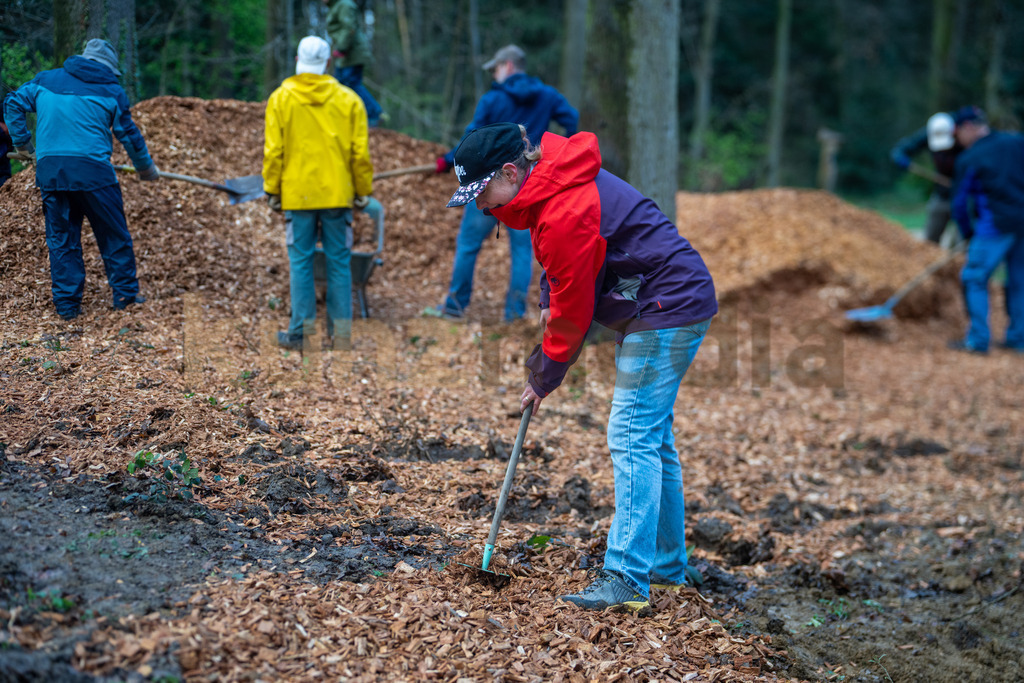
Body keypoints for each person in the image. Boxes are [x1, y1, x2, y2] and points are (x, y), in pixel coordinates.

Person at [445, 123, 718, 612]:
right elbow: (565, 267)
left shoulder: (562, 206)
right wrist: (551, 297)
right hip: (666, 302)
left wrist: (543, 376)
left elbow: (574, 311)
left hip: (666, 307)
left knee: (632, 434)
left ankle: (627, 580)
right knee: (652, 438)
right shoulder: (549, 185)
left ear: (510, 172)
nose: (482, 208)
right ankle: (667, 568)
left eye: (483, 193)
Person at [4, 38, 157, 321]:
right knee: (113, 235)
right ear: (107, 67)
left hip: (51, 173)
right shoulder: (112, 90)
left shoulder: (45, 80)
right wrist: (146, 168)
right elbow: (129, 135)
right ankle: (125, 297)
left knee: (62, 240)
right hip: (94, 175)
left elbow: (13, 103)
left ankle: (67, 307)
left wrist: (24, 146)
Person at [428, 44, 579, 322]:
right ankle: (514, 314)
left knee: (469, 243)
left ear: (507, 66)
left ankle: (454, 307)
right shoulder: (547, 96)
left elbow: (470, 140)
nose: (494, 75)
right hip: (528, 183)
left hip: (487, 184)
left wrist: (448, 161)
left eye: (495, 69)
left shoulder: (492, 100)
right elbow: (573, 120)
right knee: (522, 251)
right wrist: (558, 157)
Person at [263, 35, 374, 350]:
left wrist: (272, 189)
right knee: (339, 262)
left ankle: (301, 334)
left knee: (301, 261)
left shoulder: (281, 99)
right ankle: (341, 336)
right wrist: (362, 189)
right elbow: (359, 153)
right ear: (328, 63)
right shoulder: (349, 100)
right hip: (338, 195)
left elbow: (274, 152)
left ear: (297, 60)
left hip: (298, 196)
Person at [948, 106, 1024, 354]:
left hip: (994, 227)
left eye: (957, 133)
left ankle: (978, 340)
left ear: (968, 128)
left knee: (974, 278)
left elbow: (959, 204)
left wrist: (968, 232)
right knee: (1019, 281)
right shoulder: (1016, 143)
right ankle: (1018, 338)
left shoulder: (970, 158)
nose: (956, 139)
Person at [890, 112, 962, 246]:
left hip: (964, 192)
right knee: (931, 238)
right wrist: (902, 160)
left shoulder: (964, 137)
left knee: (961, 240)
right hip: (941, 193)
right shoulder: (929, 134)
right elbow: (901, 150)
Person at [325, 0, 383, 127]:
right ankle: (344, 117)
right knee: (340, 84)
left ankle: (374, 114)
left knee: (352, 83)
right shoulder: (336, 6)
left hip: (353, 52)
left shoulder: (345, 5)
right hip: (347, 52)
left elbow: (349, 27)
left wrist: (341, 48)